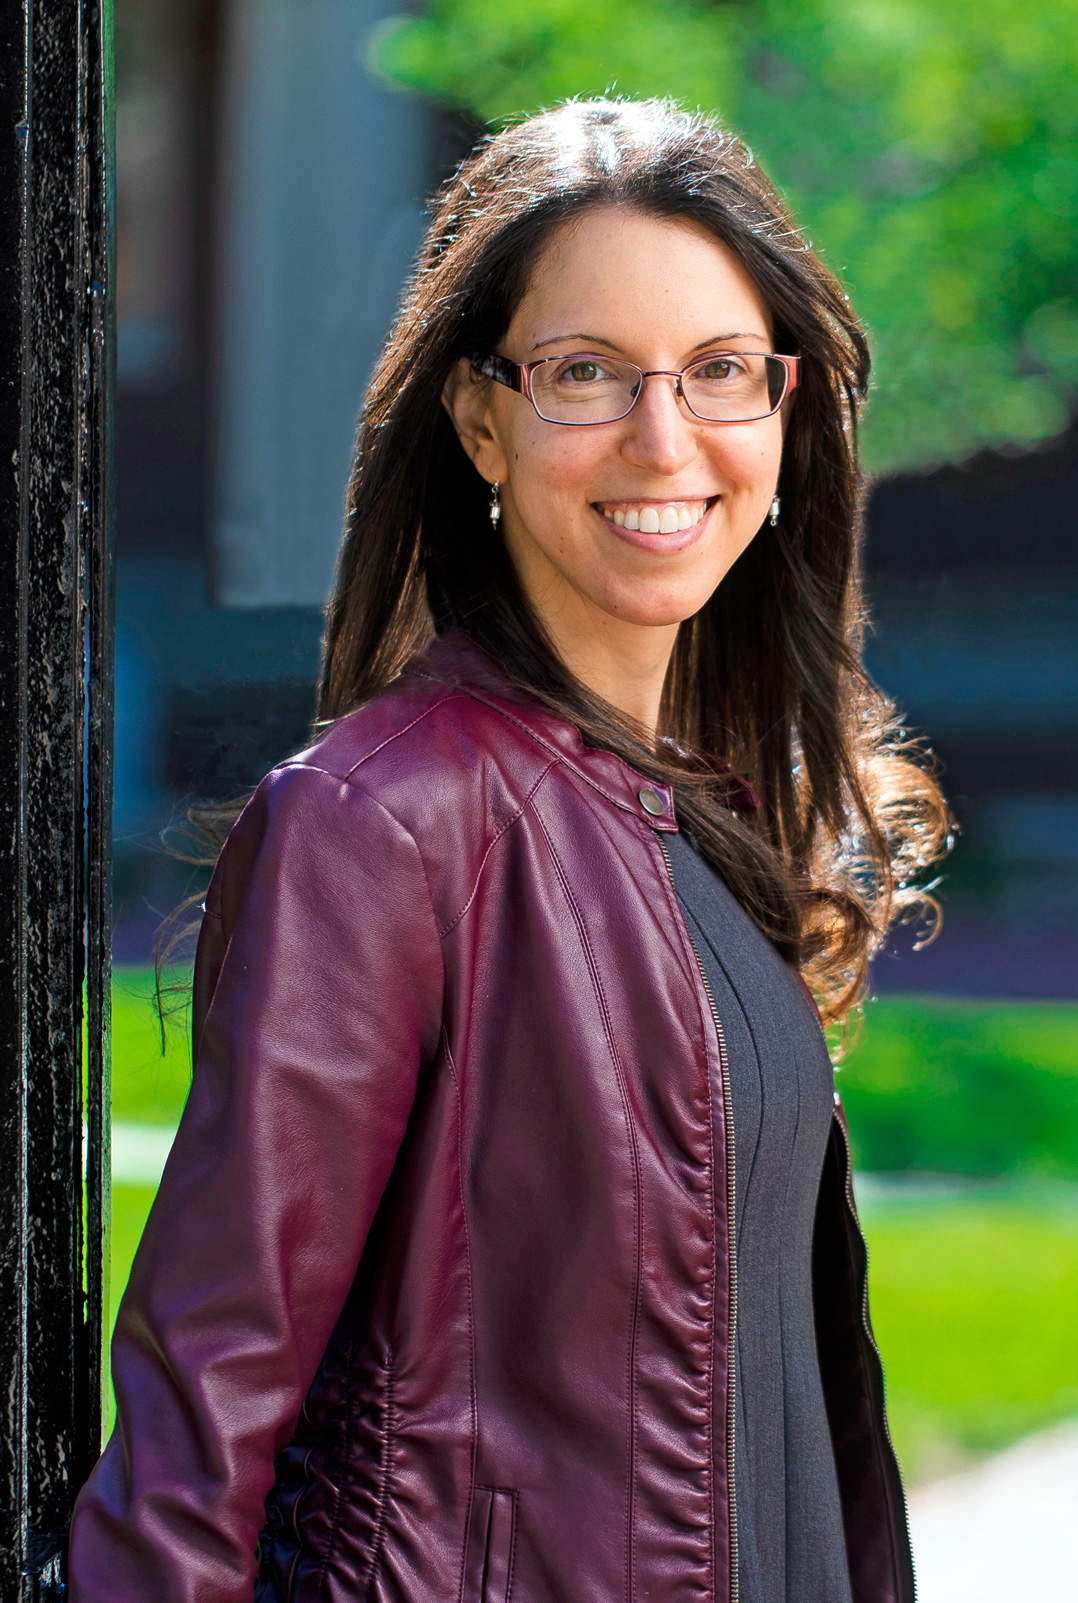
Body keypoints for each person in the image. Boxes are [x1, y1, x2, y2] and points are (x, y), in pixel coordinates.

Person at [69, 98, 948, 1603]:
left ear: (785, 411)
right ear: (481, 419)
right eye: (585, 373)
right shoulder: (382, 823)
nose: (663, 439)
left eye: (720, 372)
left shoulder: (703, 814)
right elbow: (196, 1436)